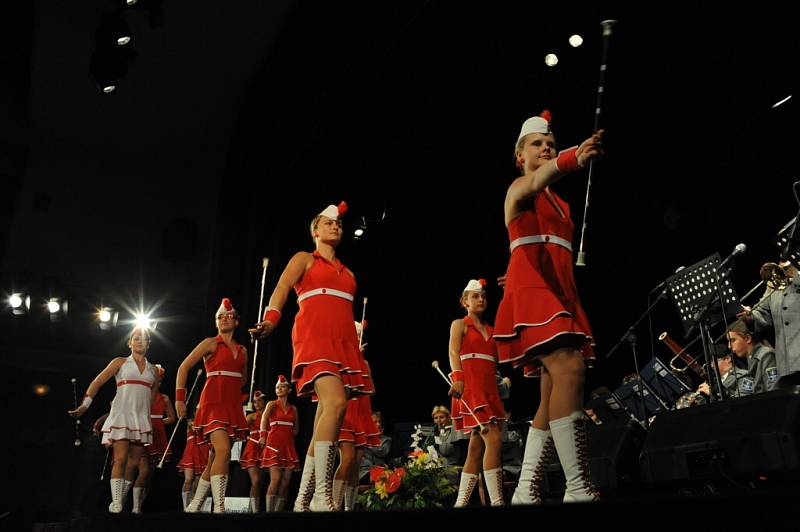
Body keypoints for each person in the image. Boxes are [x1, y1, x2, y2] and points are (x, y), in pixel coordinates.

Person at [493, 110, 604, 504]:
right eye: (537, 144)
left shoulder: (562, 206)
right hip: (537, 294)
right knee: (569, 366)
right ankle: (577, 487)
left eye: (551, 144)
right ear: (519, 155)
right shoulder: (520, 186)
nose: (546, 148)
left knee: (549, 391)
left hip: (560, 294)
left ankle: (525, 490)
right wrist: (572, 156)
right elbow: (541, 178)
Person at [250, 201, 365, 512]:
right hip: (314, 340)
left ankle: (303, 498)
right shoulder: (304, 259)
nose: (336, 226)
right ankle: (320, 495)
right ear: (315, 230)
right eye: (328, 223)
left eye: (339, 223)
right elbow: (282, 287)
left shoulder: (349, 274)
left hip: (343, 346)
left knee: (330, 416)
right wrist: (271, 319)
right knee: (337, 403)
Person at [69, 327, 157, 512]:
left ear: (149, 343)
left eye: (144, 339)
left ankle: (121, 498)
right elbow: (97, 382)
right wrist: (85, 406)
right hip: (122, 414)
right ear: (129, 342)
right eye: (136, 338)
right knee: (120, 458)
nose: (140, 341)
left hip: (140, 417)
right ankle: (116, 501)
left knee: (134, 463)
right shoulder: (120, 362)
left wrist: (148, 417)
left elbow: (152, 395)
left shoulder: (154, 370)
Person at [176, 297, 250, 513]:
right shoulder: (210, 343)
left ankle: (195, 504)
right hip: (212, 404)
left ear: (237, 321)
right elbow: (183, 367)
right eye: (220, 317)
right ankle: (219, 506)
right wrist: (180, 399)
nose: (224, 319)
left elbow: (242, 380)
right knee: (224, 452)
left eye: (229, 316)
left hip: (231, 406)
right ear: (216, 322)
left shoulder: (243, 350)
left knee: (214, 458)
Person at [449, 278, 506, 507]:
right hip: (471, 390)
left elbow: (495, 365)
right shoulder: (459, 324)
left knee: (476, 447)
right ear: (464, 301)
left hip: (489, 392)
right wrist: (458, 379)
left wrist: (503, 384)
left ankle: (461, 504)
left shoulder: (492, 331)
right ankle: (498, 501)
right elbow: (453, 352)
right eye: (475, 296)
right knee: (494, 439)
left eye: (483, 296)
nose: (480, 299)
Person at [739, 261, 800, 385]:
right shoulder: (775, 284)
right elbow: (762, 311)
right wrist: (750, 316)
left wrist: (797, 274)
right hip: (787, 364)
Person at [131, 364, 176, 513]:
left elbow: (172, 417)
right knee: (142, 472)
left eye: (159, 379)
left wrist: (158, 422)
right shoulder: (140, 395)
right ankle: (134, 507)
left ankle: (139, 506)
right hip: (142, 433)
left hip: (157, 437)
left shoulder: (164, 398)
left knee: (149, 476)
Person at [259, 375, 300, 512]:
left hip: (288, 447)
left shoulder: (293, 409)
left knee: (285, 483)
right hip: (273, 445)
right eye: (277, 387)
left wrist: (286, 437)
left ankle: (278, 514)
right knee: (275, 479)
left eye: (282, 386)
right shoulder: (271, 404)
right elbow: (264, 420)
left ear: (289, 389)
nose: (279, 389)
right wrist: (263, 436)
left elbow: (296, 429)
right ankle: (269, 514)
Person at [726, 321, 779, 394]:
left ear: (748, 338)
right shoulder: (753, 358)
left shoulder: (766, 355)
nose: (729, 346)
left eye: (732, 340)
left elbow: (775, 391)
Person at [240, 390, 266, 512]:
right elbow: (241, 430)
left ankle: (254, 508)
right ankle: (255, 512)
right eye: (255, 401)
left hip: (265, 448)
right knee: (255, 480)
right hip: (252, 448)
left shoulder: (269, 416)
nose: (257, 403)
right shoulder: (251, 416)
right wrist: (246, 435)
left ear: (265, 402)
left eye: (260, 400)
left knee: (260, 482)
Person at [177, 416, 210, 510]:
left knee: (198, 482)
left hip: (202, 452)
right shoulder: (190, 421)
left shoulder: (207, 422)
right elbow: (193, 427)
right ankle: (185, 507)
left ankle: (193, 507)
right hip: (190, 453)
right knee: (188, 479)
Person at [359, 412, 392, 482]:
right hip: (364, 472)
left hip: (380, 471)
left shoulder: (386, 439)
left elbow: (383, 451)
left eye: (379, 421)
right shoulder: (362, 438)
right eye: (375, 422)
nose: (378, 424)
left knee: (387, 477)